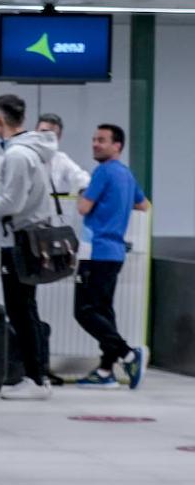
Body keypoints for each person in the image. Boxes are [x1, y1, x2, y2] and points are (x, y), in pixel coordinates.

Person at [0, 94, 58, 401]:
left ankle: (36, 376)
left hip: (20, 241)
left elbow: (12, 202)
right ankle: (37, 375)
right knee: (24, 307)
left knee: (22, 309)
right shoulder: (34, 151)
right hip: (26, 238)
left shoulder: (18, 155)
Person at [74, 124, 150, 389]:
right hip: (115, 253)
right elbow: (143, 204)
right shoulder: (127, 175)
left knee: (83, 311)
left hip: (95, 251)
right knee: (104, 311)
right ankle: (106, 370)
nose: (96, 144)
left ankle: (128, 354)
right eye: (94, 139)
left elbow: (83, 208)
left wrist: (82, 191)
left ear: (117, 145)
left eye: (102, 141)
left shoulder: (103, 172)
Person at [36, 112, 91, 195]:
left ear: (59, 137)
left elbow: (82, 179)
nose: (46, 137)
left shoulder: (60, 159)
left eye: (51, 134)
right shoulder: (21, 155)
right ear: (35, 132)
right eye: (43, 132)